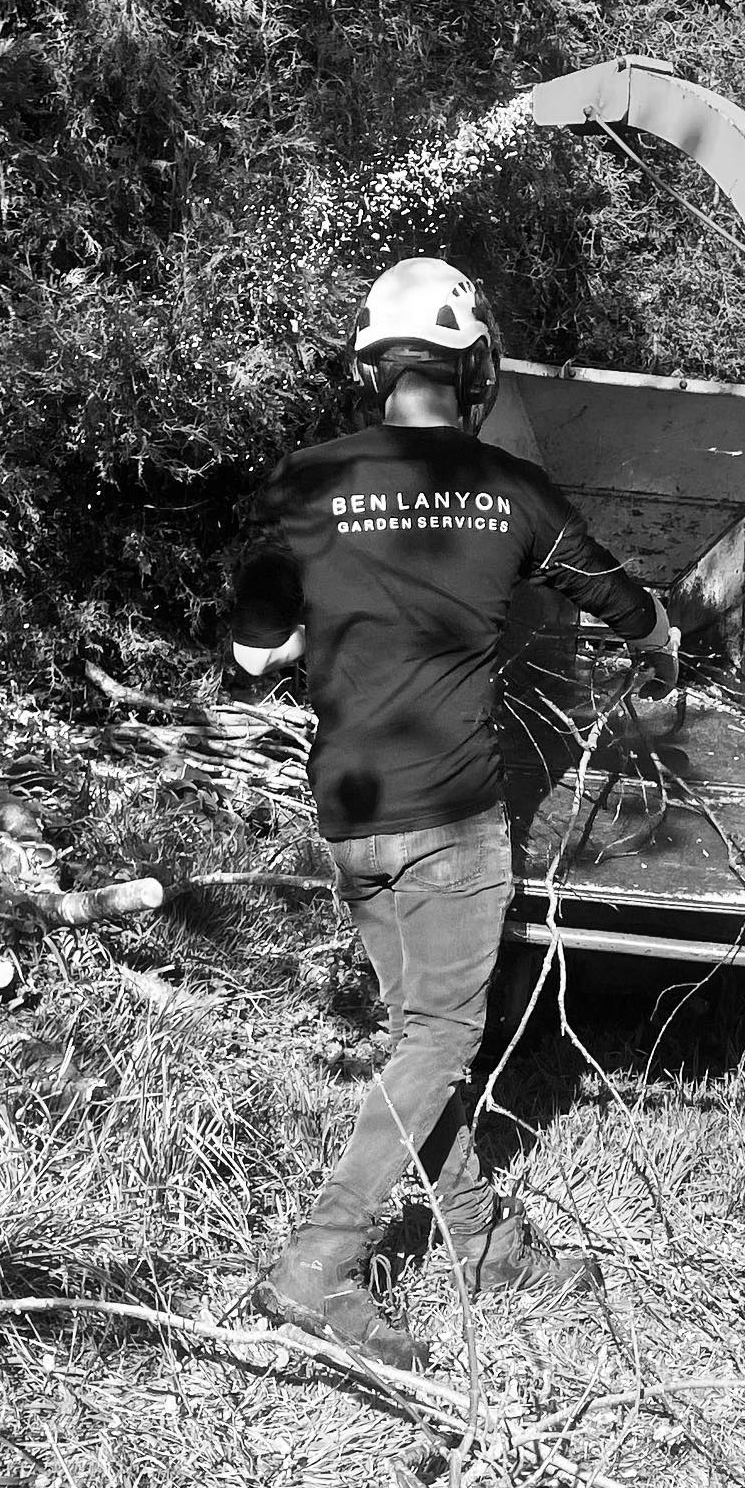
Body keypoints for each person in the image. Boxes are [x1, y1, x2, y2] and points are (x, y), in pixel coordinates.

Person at [231, 257, 679, 1371]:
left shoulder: (305, 484)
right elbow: (618, 598)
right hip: (455, 818)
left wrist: (300, 637)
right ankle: (319, 1261)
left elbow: (248, 646)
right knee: (440, 1036)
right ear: (471, 367)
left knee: (425, 1034)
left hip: (351, 813)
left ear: (374, 367)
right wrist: (658, 635)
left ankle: (477, 1243)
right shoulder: (512, 491)